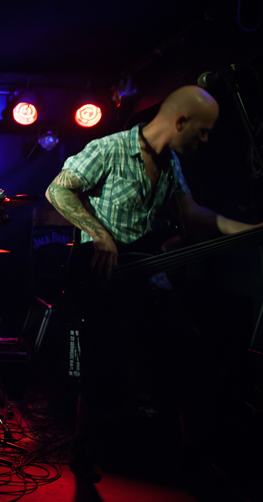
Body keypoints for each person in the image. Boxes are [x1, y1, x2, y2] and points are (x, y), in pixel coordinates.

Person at [45, 85, 261, 483]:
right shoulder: (108, 148)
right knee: (103, 368)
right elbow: (57, 188)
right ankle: (84, 446)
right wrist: (99, 233)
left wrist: (250, 231)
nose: (205, 140)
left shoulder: (170, 162)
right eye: (202, 131)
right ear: (181, 122)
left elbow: (191, 214)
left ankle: (194, 459)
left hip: (147, 275)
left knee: (189, 358)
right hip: (105, 277)